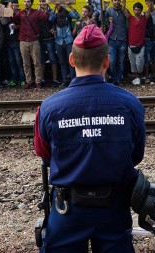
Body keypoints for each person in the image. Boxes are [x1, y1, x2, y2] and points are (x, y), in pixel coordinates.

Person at [34, 24, 145, 252]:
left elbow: (44, 154)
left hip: (67, 209)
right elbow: (136, 154)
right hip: (114, 208)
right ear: (107, 61)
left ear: (72, 60)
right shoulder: (130, 104)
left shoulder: (49, 108)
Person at [12, 0, 50, 89]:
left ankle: (38, 82)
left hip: (34, 40)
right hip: (23, 40)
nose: (26, 3)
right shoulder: (20, 13)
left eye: (28, 1)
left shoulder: (37, 13)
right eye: (25, 1)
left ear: (31, 3)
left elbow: (45, 18)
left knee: (37, 62)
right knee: (26, 63)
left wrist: (45, 9)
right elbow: (13, 19)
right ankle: (29, 81)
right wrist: (11, 10)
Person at [122, 0, 152, 86]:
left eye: (138, 9)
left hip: (141, 45)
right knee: (133, 64)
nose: (136, 11)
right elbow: (123, 9)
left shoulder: (144, 18)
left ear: (141, 10)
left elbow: (150, 8)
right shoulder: (130, 18)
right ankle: (136, 78)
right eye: (135, 9)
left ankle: (140, 75)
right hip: (131, 45)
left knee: (139, 65)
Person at [49, 2, 79, 89]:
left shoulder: (68, 14)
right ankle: (64, 81)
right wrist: (54, 8)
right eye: (57, 5)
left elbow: (77, 16)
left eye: (59, 5)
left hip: (68, 40)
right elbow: (50, 18)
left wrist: (70, 6)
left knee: (71, 61)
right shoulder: (55, 15)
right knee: (62, 62)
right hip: (59, 41)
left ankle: (73, 80)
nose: (58, 7)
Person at [101, 0, 128, 85]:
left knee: (121, 62)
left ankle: (119, 80)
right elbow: (101, 18)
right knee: (112, 62)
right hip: (112, 40)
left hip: (122, 39)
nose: (117, 2)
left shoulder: (123, 10)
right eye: (115, 0)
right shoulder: (109, 10)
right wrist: (104, 8)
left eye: (118, 0)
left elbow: (129, 17)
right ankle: (113, 80)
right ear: (112, 1)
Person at [38, 0, 59, 87]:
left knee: (53, 59)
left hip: (50, 39)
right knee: (41, 60)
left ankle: (55, 79)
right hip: (40, 39)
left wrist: (53, 28)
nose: (42, 3)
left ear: (47, 2)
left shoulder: (52, 11)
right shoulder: (37, 12)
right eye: (40, 1)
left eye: (44, 1)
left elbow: (55, 22)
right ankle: (42, 79)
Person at [6, 0, 25, 87]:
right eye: (11, 5)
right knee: (12, 62)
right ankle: (14, 79)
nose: (13, 7)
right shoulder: (7, 15)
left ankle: (22, 79)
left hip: (17, 41)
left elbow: (25, 25)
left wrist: (17, 26)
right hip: (9, 41)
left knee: (19, 62)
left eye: (14, 5)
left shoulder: (20, 14)